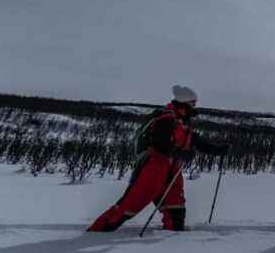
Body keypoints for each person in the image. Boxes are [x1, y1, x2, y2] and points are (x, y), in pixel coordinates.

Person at [87, 85, 228, 232]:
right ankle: (97, 233)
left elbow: (199, 143)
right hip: (154, 168)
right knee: (129, 206)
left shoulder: (184, 123)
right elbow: (159, 144)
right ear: (184, 102)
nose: (195, 105)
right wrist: (181, 153)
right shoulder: (166, 118)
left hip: (172, 170)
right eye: (192, 102)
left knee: (176, 207)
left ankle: (172, 239)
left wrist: (219, 150)